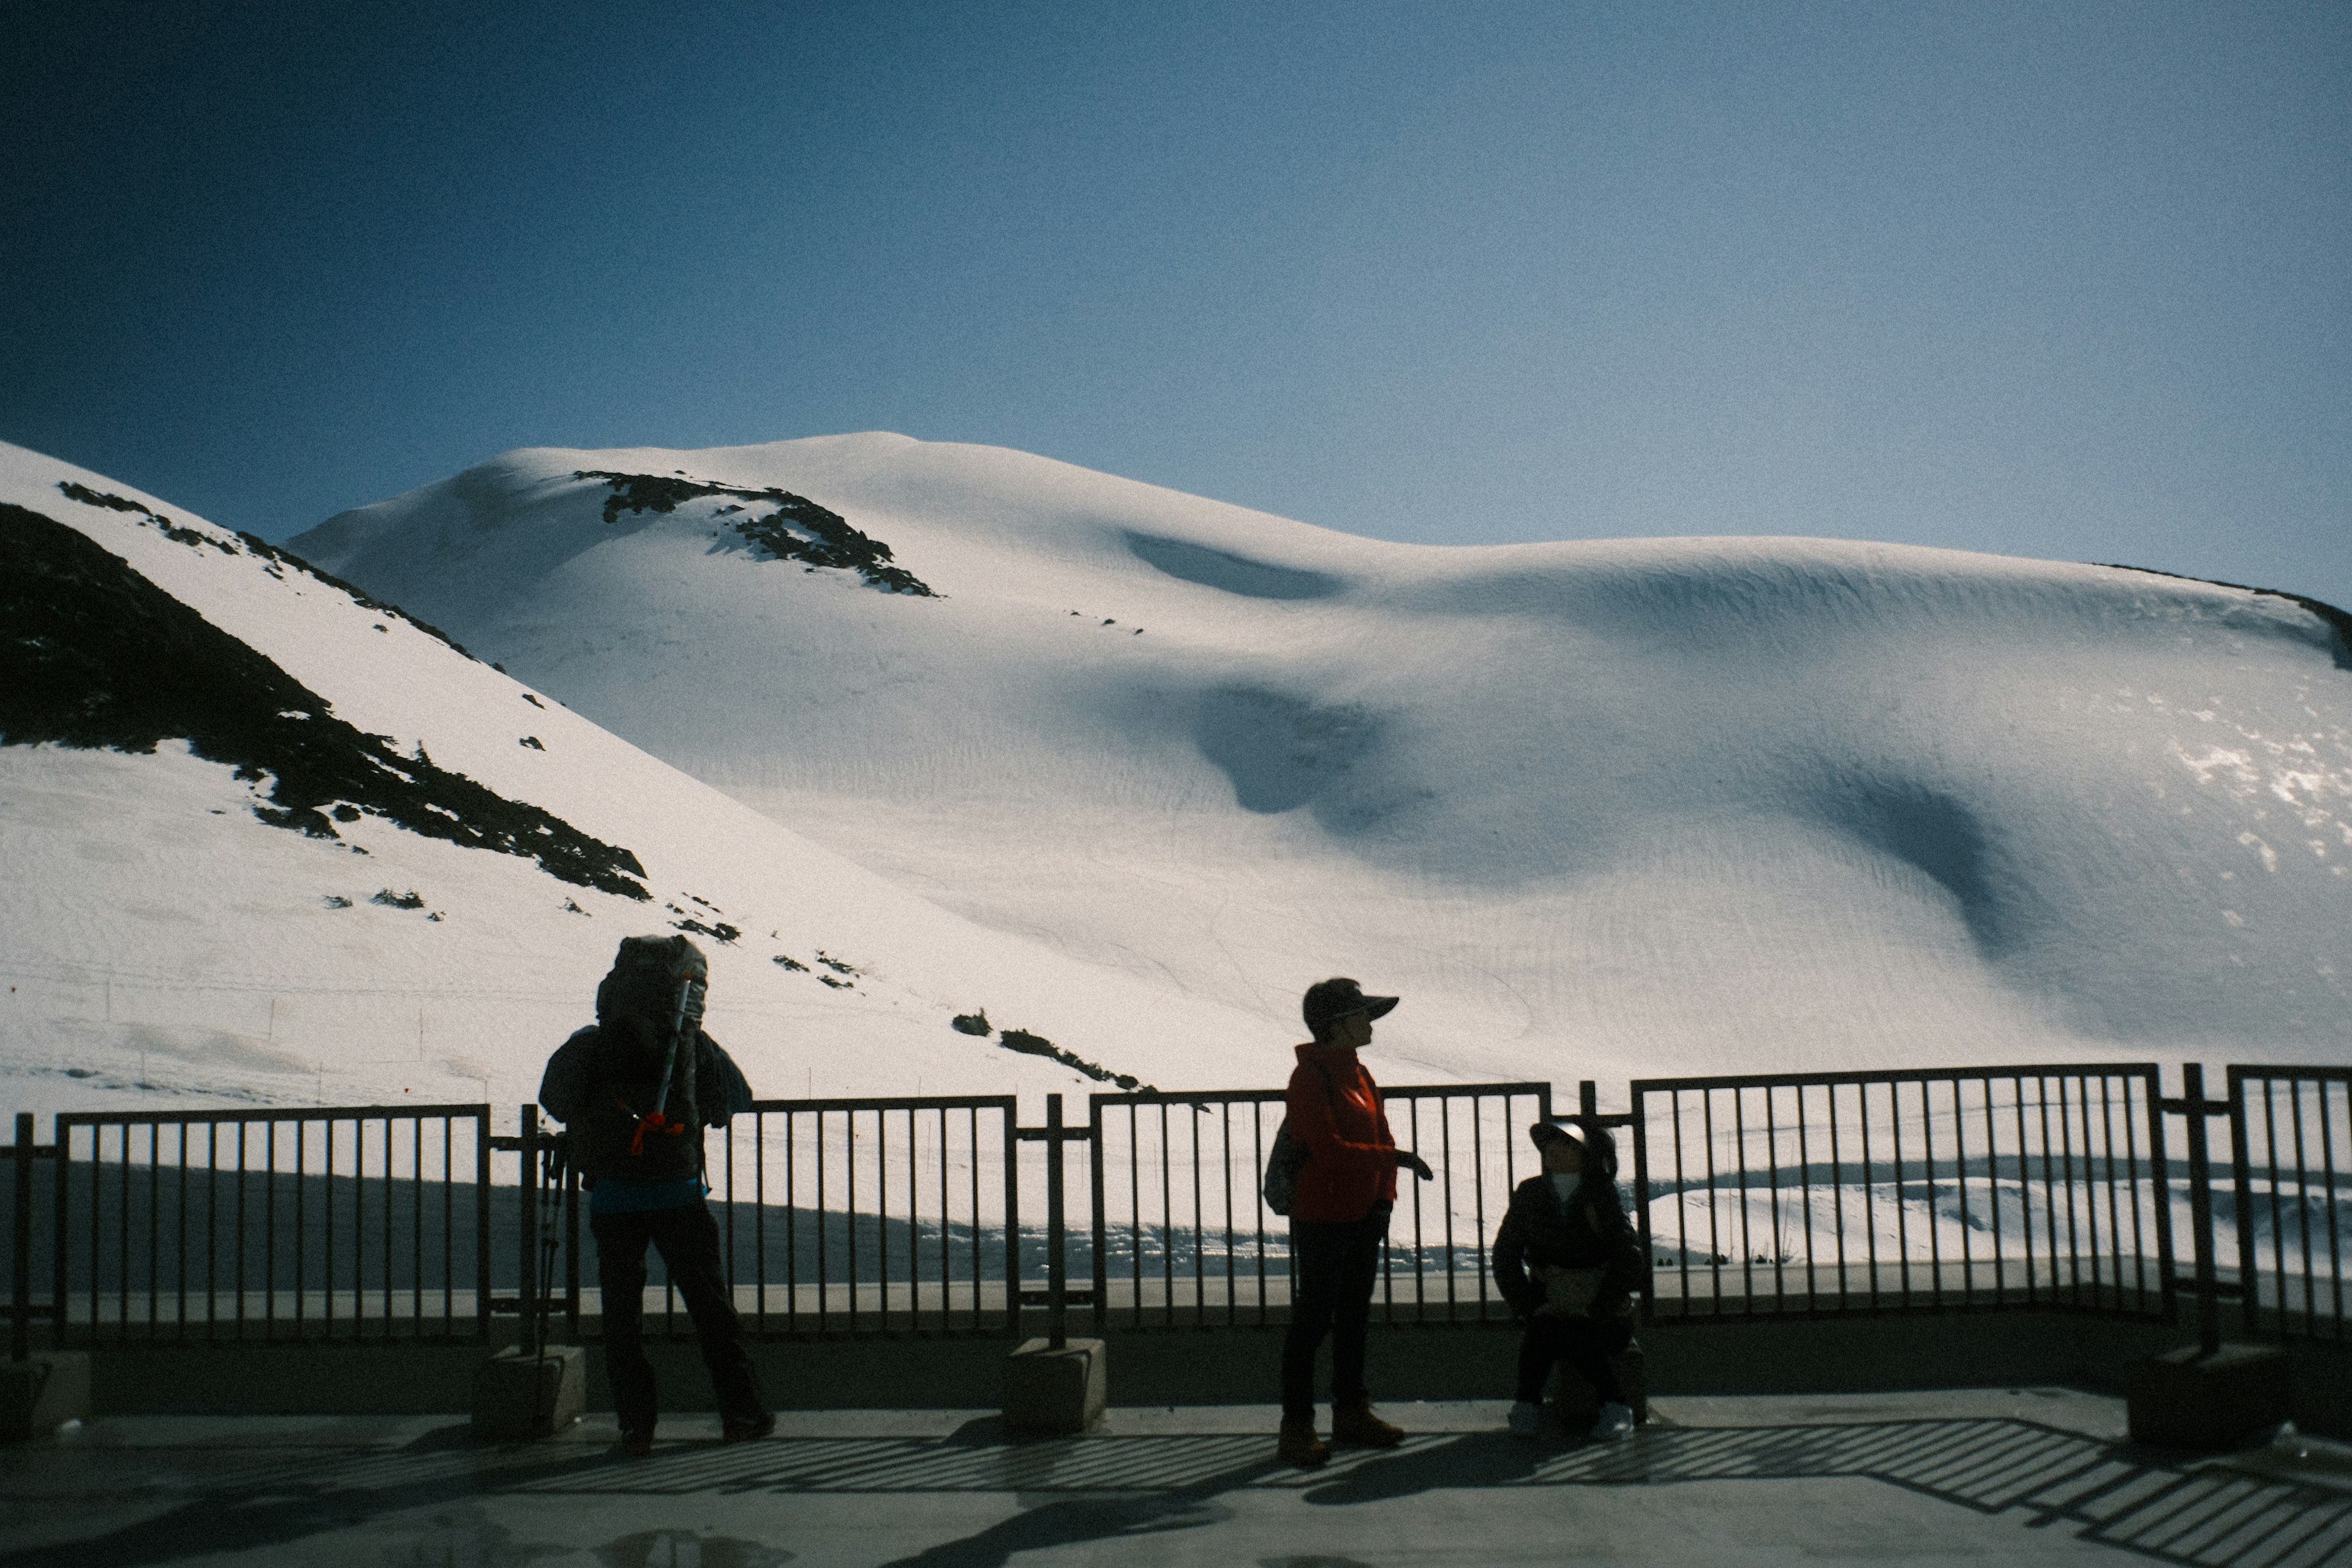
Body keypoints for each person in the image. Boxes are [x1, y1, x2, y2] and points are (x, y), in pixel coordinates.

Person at [538, 934, 771, 1456]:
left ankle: (636, 1427)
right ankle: (743, 1415)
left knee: (623, 1319)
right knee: (710, 1309)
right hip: (677, 1193)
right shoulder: (691, 1045)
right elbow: (730, 1101)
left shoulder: (590, 1045)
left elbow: (555, 1098)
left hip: (614, 1198)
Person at [1277, 976, 1436, 1469]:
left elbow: (1378, 1143)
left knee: (1352, 1319)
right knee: (1314, 1320)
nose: (1370, 1022)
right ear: (1338, 1025)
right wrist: (1395, 1161)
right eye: (1362, 1014)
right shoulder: (1310, 1077)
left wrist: (1384, 1201)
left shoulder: (1360, 1075)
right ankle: (1297, 1427)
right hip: (1323, 1216)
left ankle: (1351, 1413)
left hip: (1364, 1214)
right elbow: (1327, 1151)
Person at [1491, 1118, 1646, 1441]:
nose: (1553, 1151)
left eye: (1564, 1144)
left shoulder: (1599, 1193)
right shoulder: (1531, 1192)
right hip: (1551, 1301)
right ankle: (1612, 1406)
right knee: (1548, 1325)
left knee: (1571, 1329)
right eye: (1549, 1144)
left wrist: (1602, 1304)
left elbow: (1627, 1254)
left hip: (1601, 1308)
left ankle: (1531, 1405)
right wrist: (1531, 1304)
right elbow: (1506, 1253)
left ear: (1584, 1152)